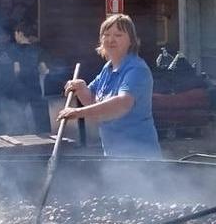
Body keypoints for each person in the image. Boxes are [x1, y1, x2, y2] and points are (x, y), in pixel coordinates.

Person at [58, 14, 161, 159]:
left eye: (118, 35)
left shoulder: (137, 69)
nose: (111, 40)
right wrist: (81, 88)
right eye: (106, 35)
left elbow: (122, 104)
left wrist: (78, 112)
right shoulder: (107, 68)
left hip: (140, 156)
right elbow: (93, 101)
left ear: (131, 41)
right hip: (114, 155)